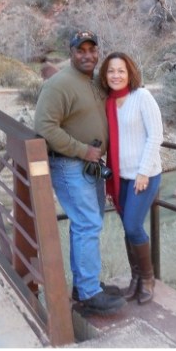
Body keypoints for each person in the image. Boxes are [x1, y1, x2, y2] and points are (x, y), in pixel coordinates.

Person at [34, 31, 125, 316]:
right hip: (70, 165)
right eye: (81, 50)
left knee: (86, 224)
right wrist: (82, 149)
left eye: (92, 50)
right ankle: (89, 293)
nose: (87, 55)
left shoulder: (94, 81)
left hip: (90, 166)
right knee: (88, 224)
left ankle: (84, 285)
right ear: (71, 53)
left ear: (98, 52)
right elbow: (45, 127)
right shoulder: (59, 85)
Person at [100, 52, 164, 304]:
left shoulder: (142, 97)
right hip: (121, 177)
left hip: (144, 175)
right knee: (127, 228)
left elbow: (155, 135)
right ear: (105, 75)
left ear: (130, 73)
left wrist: (143, 172)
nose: (116, 75)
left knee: (133, 226)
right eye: (111, 71)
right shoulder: (108, 102)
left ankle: (148, 278)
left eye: (121, 71)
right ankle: (135, 278)